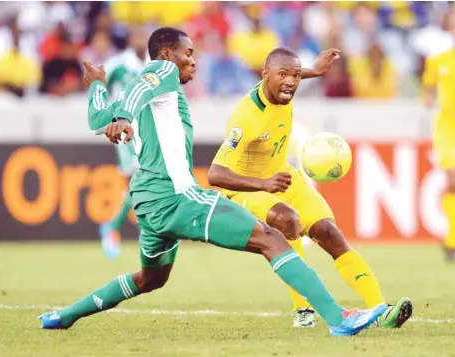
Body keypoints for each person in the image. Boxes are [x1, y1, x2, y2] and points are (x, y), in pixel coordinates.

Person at [39, 27, 387, 336]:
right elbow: (125, 105)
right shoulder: (162, 70)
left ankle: (65, 316)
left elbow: (96, 119)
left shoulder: (152, 93)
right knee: (272, 238)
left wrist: (98, 85)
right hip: (176, 196)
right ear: (166, 55)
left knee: (151, 279)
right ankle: (338, 317)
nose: (194, 62)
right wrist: (123, 116)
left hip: (148, 203)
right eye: (188, 54)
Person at [208, 47, 413, 329]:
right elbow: (215, 174)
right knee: (287, 220)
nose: (291, 81)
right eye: (283, 74)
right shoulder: (245, 119)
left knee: (329, 233)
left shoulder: (282, 87)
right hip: (248, 188)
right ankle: (303, 309)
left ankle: (381, 310)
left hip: (281, 177)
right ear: (264, 75)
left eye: (295, 74)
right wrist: (263, 184)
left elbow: (289, 73)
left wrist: (316, 71)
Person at [99, 26, 150, 259]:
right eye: (138, 34)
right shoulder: (119, 64)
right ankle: (115, 228)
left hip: (146, 130)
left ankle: (118, 227)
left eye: (144, 35)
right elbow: (96, 82)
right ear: (130, 39)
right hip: (123, 129)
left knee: (142, 182)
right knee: (136, 179)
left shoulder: (152, 64)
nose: (141, 39)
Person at [422, 39, 455, 260]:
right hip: (447, 129)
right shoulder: (439, 59)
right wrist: (429, 100)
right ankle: (451, 241)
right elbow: (427, 90)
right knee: (452, 180)